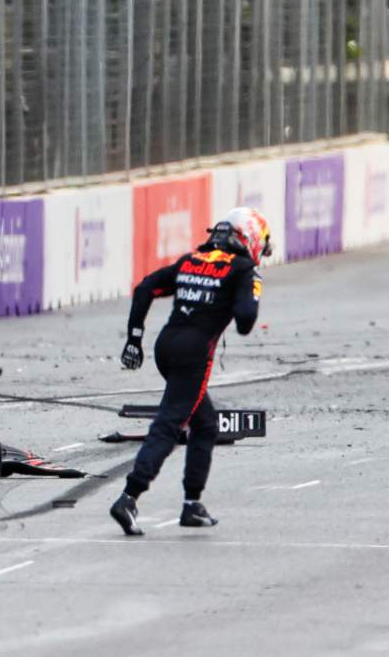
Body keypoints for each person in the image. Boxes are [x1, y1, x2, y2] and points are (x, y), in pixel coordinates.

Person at [110, 206, 269, 536]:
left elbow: (145, 289)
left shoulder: (190, 260)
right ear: (250, 239)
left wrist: (133, 340)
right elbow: (245, 322)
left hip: (164, 347)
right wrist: (251, 287)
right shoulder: (243, 270)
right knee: (168, 426)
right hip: (193, 356)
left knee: (206, 424)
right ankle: (128, 497)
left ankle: (191, 505)